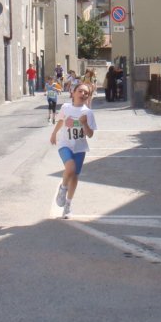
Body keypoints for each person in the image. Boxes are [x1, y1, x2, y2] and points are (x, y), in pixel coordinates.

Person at [50, 82, 97, 219]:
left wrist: (84, 123)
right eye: (80, 91)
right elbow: (61, 121)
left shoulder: (88, 113)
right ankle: (63, 189)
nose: (83, 94)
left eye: (86, 93)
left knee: (75, 176)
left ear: (88, 97)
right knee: (70, 168)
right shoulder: (66, 107)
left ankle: (68, 206)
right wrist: (54, 133)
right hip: (65, 144)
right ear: (73, 93)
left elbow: (90, 134)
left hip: (80, 148)